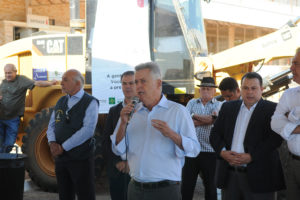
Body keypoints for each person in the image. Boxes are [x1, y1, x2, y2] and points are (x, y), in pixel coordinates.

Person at [110, 62, 200, 200]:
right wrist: (122, 123)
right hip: (135, 189)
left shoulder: (178, 111)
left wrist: (172, 135)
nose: (138, 86)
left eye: (143, 81)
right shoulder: (131, 111)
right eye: (136, 82)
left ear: (158, 83)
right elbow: (118, 149)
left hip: (165, 191)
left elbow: (194, 149)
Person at [210, 72, 285, 200]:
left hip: (260, 178)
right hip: (230, 176)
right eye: (246, 88)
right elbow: (215, 134)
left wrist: (251, 156)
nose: (249, 92)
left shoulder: (273, 109)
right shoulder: (228, 108)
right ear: (240, 89)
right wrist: (222, 152)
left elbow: (275, 140)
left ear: (261, 89)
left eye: (253, 88)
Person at [46, 69, 99, 200]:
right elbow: (52, 124)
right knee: (65, 195)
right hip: (61, 159)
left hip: (80, 159)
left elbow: (87, 130)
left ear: (78, 84)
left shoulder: (90, 102)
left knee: (85, 194)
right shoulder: (61, 101)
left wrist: (63, 147)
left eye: (65, 80)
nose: (61, 83)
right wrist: (52, 143)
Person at [0, 63, 57, 152]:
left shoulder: (22, 80)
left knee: (9, 142)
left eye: (10, 73)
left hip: (13, 119)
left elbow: (37, 83)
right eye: (6, 73)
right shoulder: (3, 82)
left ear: (15, 72)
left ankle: (5, 157)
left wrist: (50, 83)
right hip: (1, 117)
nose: (7, 75)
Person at [181, 77, 221, 200]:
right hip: (191, 151)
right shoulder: (192, 102)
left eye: (208, 89)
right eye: (203, 89)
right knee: (187, 186)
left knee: (211, 187)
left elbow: (215, 121)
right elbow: (186, 122)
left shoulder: (220, 104)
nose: (205, 91)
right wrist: (209, 120)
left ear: (214, 91)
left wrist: (194, 115)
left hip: (209, 151)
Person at [271, 48, 300, 200]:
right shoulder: (289, 95)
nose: (291, 68)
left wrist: (292, 114)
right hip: (292, 164)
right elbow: (275, 123)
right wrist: (298, 128)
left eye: (296, 63)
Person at [103, 71, 136, 200]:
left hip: (137, 172)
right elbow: (106, 141)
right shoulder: (113, 111)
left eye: (131, 83)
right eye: (124, 83)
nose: (127, 87)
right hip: (117, 172)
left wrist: (131, 163)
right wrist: (117, 162)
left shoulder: (144, 110)